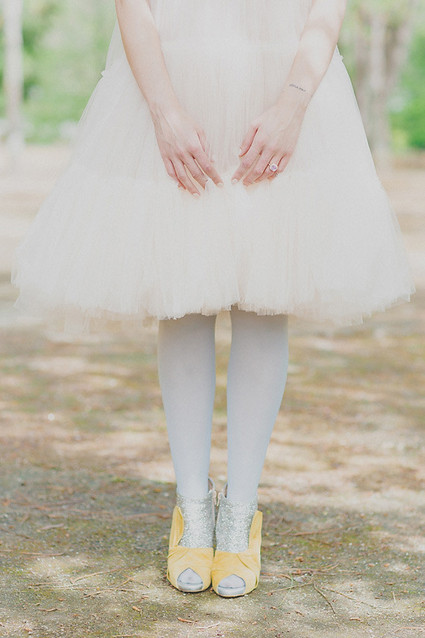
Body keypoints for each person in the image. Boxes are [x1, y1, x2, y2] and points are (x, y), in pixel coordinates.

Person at [11, 0, 415, 598]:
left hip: (281, 81)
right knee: (183, 297)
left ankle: (240, 515)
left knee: (264, 298)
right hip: (172, 79)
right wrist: (165, 112)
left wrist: (293, 106)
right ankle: (192, 511)